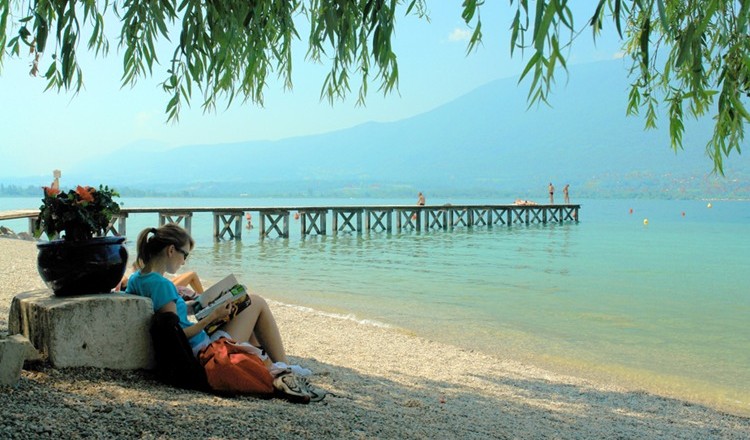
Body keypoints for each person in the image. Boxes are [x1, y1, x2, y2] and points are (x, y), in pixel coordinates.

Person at [125, 223, 289, 364]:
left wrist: (194, 307)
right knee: (256, 302)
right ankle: (285, 367)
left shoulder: (137, 279)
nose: (184, 262)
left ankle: (273, 366)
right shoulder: (162, 284)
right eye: (185, 255)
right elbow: (177, 336)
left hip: (198, 347)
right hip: (203, 353)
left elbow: (168, 314)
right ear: (171, 250)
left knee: (248, 314)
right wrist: (213, 316)